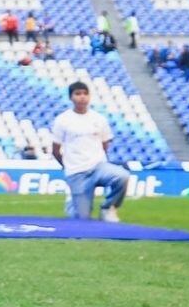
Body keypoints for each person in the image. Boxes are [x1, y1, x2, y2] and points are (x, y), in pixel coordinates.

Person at [49, 82, 129, 222]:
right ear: (71, 97)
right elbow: (55, 150)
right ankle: (72, 201)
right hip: (77, 171)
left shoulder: (99, 119)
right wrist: (68, 165)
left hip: (98, 166)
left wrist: (97, 158)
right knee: (82, 219)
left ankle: (108, 208)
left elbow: (105, 144)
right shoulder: (62, 120)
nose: (82, 97)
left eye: (85, 93)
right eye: (78, 94)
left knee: (122, 176)